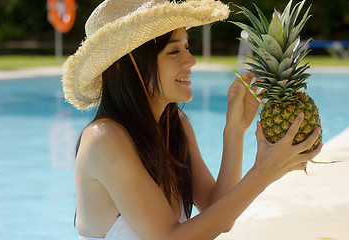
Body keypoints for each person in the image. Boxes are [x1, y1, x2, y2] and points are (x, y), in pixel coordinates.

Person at [62, 0, 322, 239]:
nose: (191, 60)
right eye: (173, 52)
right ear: (128, 66)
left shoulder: (175, 125)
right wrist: (263, 173)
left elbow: (217, 211)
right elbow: (171, 237)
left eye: (187, 47)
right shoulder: (104, 139)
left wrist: (234, 131)